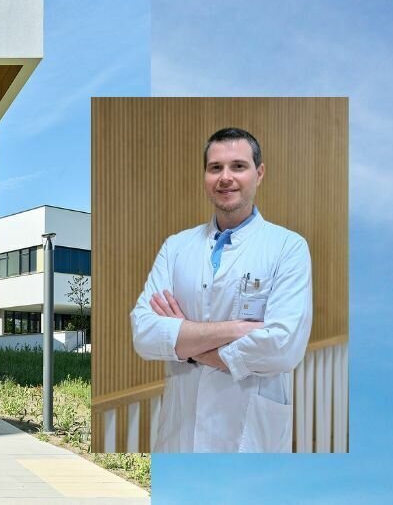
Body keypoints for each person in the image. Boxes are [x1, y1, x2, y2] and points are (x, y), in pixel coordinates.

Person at [130, 127, 311, 452]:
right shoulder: (176, 247)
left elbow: (282, 346)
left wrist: (186, 346)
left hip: (251, 434)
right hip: (181, 430)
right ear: (205, 176)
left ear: (259, 173)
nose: (225, 177)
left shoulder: (288, 246)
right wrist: (236, 330)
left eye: (238, 166)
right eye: (215, 168)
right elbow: (144, 333)